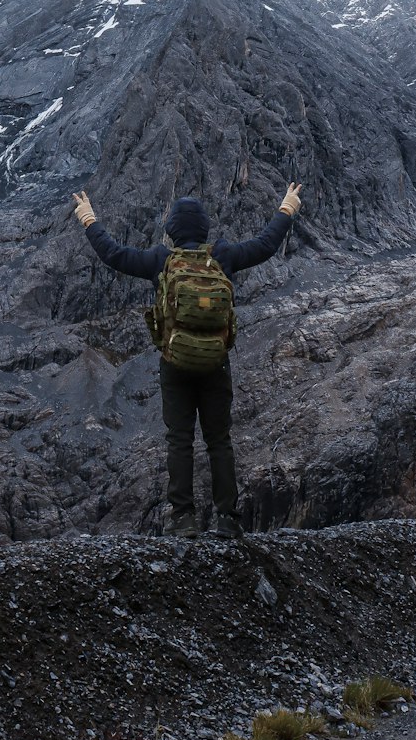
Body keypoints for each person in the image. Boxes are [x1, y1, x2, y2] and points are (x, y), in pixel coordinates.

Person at [72, 183, 302, 539]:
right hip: (216, 364)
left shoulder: (160, 260)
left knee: (179, 439)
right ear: (205, 228)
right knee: (219, 439)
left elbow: (113, 254)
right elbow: (266, 245)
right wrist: (286, 208)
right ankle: (227, 518)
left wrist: (89, 219)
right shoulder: (222, 256)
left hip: (174, 364)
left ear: (173, 230)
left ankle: (182, 519)